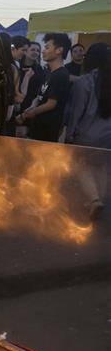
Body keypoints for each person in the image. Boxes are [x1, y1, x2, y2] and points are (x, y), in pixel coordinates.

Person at [67, 42, 111, 220]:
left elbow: (77, 111)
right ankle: (99, 198)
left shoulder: (86, 81)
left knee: (81, 166)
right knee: (101, 166)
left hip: (87, 134)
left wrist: (70, 134)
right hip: (108, 136)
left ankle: (94, 200)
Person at [17, 33, 71, 142]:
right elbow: (41, 96)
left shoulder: (61, 75)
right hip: (37, 126)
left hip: (47, 130)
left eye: (47, 47)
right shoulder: (48, 72)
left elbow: (51, 104)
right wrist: (32, 106)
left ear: (59, 50)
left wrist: (28, 114)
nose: (43, 51)